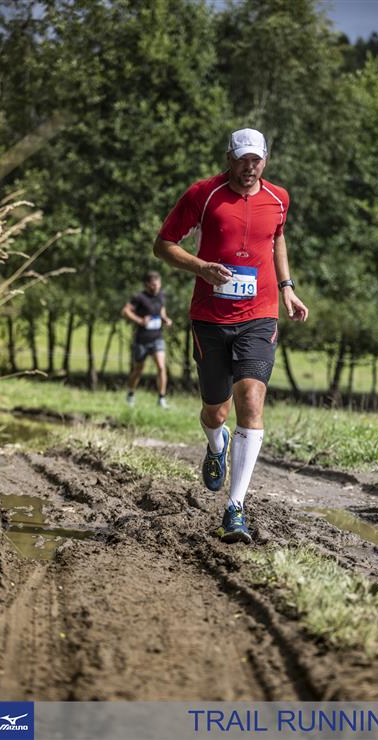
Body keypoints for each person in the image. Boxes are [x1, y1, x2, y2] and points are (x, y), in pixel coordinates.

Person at [154, 128, 308, 543]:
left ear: (265, 160)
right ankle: (216, 444)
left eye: (256, 160)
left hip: (260, 314)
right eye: (242, 159)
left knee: (251, 401)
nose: (249, 167)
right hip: (210, 317)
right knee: (216, 413)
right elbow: (163, 245)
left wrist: (287, 287)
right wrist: (201, 267)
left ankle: (235, 507)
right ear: (229, 158)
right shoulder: (203, 194)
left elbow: (276, 237)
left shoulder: (279, 198)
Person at [122, 271, 172, 408]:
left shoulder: (161, 296)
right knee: (138, 369)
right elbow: (125, 311)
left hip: (157, 338)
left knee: (161, 367)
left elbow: (161, 310)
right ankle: (131, 394)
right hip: (142, 339)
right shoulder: (139, 297)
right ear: (147, 284)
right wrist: (140, 320)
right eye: (153, 285)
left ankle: (161, 398)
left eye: (158, 284)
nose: (156, 287)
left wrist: (165, 319)